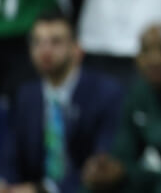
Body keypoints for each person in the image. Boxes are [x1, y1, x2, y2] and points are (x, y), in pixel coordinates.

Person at [0, 10, 123, 193]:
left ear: (77, 50)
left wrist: (44, 190)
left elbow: (102, 165)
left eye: (55, 42)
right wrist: (6, 183)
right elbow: (11, 154)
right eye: (37, 42)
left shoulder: (105, 93)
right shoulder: (26, 95)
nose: (45, 50)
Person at [81, 24, 161, 193]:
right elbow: (123, 154)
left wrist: (132, 173)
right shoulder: (139, 92)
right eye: (146, 51)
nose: (155, 59)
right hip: (153, 179)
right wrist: (106, 168)